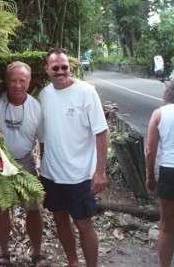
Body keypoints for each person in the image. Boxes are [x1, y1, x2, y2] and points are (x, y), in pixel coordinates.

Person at [38, 48, 108, 267]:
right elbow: (43, 136)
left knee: (84, 223)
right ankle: (73, 262)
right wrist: (42, 164)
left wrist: (100, 171)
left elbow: (102, 132)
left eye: (64, 67)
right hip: (51, 174)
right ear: (47, 69)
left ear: (71, 67)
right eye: (56, 68)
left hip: (79, 175)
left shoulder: (86, 92)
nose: (60, 72)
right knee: (60, 219)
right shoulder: (44, 94)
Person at [0, 61, 48, 267]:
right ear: (6, 81)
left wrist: (43, 170)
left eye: (22, 80)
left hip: (26, 160)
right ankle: (4, 253)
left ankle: (37, 252)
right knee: (1, 207)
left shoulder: (36, 107)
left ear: (29, 81)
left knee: (33, 208)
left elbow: (42, 141)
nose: (17, 85)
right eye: (13, 80)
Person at [145, 75, 174, 267]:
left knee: (167, 227)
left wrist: (150, 177)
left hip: (171, 173)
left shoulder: (159, 114)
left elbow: (150, 152)